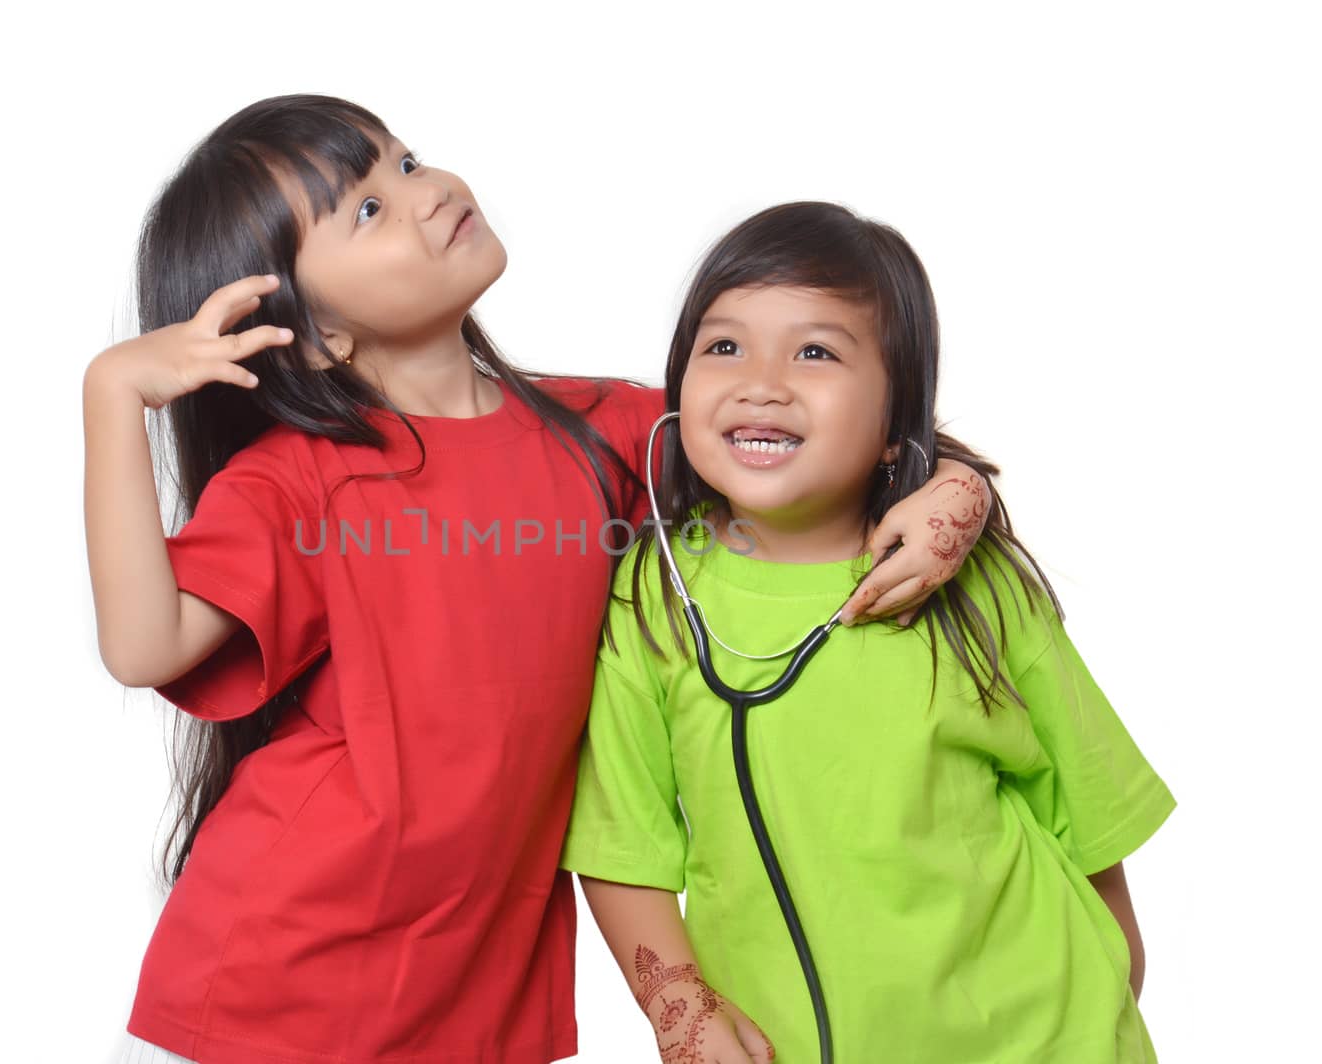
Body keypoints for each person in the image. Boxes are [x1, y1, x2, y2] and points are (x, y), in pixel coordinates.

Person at [84, 98, 991, 1064]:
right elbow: (145, 646)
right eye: (366, 209)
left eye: (406, 161)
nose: (424, 192)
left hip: (476, 980)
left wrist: (958, 488)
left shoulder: (602, 431)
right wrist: (113, 393)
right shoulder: (298, 480)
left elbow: (808, 444)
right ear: (313, 337)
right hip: (285, 974)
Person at [561, 201, 1175, 1063]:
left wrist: (1107, 998)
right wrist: (679, 1009)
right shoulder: (652, 596)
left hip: (1037, 1032)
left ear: (895, 426)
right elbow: (625, 843)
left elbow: (1086, 816)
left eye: (816, 351)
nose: (762, 380)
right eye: (723, 346)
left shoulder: (974, 584)